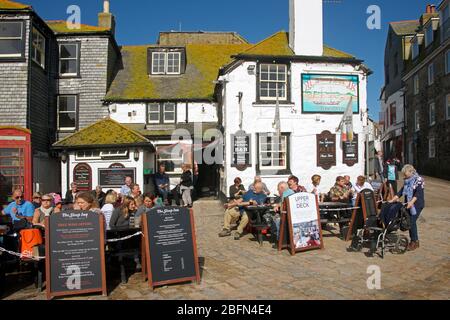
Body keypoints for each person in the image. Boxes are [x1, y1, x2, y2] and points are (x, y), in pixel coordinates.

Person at [389, 165, 425, 251]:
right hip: (408, 204)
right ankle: (415, 241)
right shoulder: (407, 181)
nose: (404, 177)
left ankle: (414, 242)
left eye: (405, 174)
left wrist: (411, 202)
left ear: (411, 172)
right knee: (411, 222)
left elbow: (418, 193)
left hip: (417, 204)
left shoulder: (418, 180)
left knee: (411, 222)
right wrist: (393, 199)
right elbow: (401, 192)